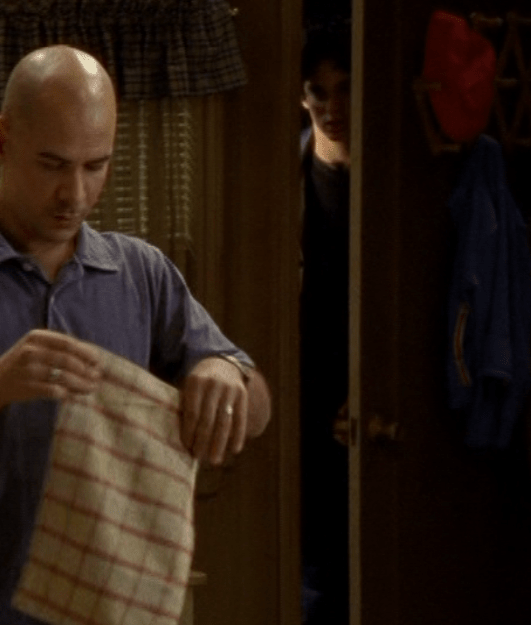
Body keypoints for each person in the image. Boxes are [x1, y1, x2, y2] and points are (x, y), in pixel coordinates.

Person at [0, 45, 272, 625]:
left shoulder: (142, 273)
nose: (74, 194)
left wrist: (226, 371)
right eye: (52, 165)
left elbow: (257, 413)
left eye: (95, 166)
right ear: (1, 141)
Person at [299, 23, 351, 625]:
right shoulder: (287, 176)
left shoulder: (391, 187)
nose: (333, 108)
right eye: (319, 91)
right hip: (304, 406)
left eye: (345, 90)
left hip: (366, 403)